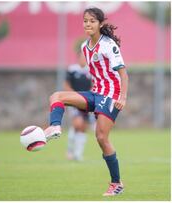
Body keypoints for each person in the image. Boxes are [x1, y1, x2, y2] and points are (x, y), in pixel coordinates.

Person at [44, 7, 128, 196]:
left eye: (92, 21)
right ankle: (55, 127)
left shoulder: (109, 45)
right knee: (56, 96)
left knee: (101, 137)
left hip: (111, 95)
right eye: (85, 21)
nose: (87, 24)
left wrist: (122, 97)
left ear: (99, 24)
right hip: (95, 93)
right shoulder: (84, 46)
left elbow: (123, 73)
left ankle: (117, 183)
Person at [64, 41, 93, 161]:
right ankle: (70, 149)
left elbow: (94, 85)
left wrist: (90, 96)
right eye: (81, 57)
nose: (83, 59)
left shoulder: (90, 71)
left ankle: (78, 154)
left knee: (83, 127)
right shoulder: (72, 70)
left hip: (86, 101)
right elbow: (66, 85)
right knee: (77, 123)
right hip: (74, 101)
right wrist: (74, 96)